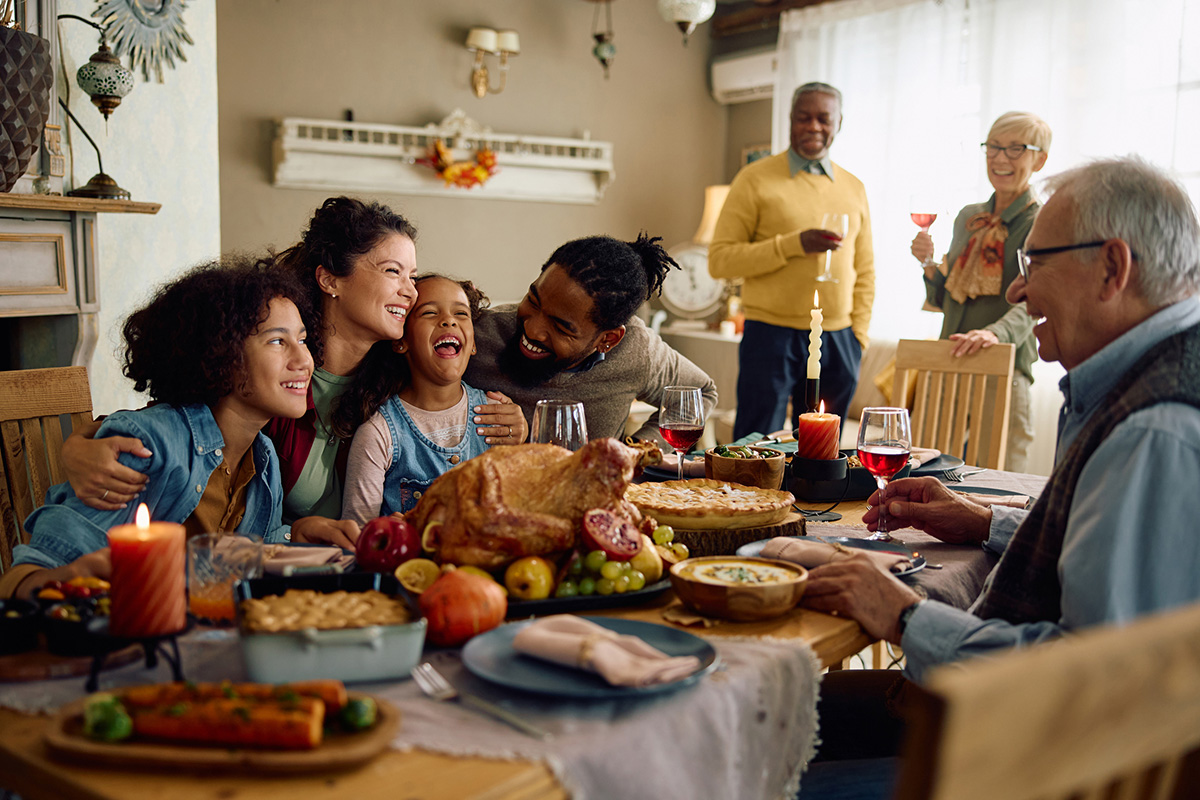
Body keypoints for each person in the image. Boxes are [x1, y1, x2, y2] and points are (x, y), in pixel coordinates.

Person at [800, 156, 1200, 779]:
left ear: (1112, 269)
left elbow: (1088, 677)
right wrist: (986, 521)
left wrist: (902, 614)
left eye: (1034, 263)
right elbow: (1111, 551)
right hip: (1017, 731)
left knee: (738, 737)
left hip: (1024, 761)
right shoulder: (1156, 375)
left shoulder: (1153, 430)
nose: (1016, 290)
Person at [59, 197, 527, 549]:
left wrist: (518, 423)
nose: (411, 291)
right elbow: (176, 430)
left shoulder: (398, 371)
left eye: (413, 275)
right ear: (330, 280)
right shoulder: (270, 378)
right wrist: (77, 445)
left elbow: (462, 381)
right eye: (393, 272)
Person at [0, 257, 315, 600]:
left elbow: (258, 554)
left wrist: (297, 533)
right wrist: (75, 575)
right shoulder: (146, 446)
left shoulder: (262, 457)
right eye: (277, 342)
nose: (304, 361)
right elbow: (27, 577)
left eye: (302, 340)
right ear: (221, 354)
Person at [709, 81, 874, 439]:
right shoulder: (754, 179)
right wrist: (793, 244)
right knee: (755, 447)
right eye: (804, 117)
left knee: (821, 454)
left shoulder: (854, 186)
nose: (814, 126)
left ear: (839, 123)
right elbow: (720, 261)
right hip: (770, 335)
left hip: (838, 339)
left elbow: (865, 270)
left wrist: (857, 336)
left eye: (823, 118)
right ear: (790, 121)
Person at [465, 233, 718, 448]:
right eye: (533, 300)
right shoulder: (477, 333)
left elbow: (702, 392)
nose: (532, 330)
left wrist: (635, 453)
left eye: (561, 327)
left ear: (608, 339)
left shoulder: (637, 349)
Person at [912, 112, 1051, 471]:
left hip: (1005, 367)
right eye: (993, 147)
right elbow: (948, 299)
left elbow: (1035, 300)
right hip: (950, 362)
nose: (1000, 158)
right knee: (930, 475)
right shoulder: (967, 217)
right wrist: (928, 264)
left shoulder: (1042, 222)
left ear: (1040, 159)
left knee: (1002, 484)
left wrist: (992, 334)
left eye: (1016, 149)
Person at [342, 274, 492, 525]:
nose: (448, 321)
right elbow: (357, 536)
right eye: (430, 313)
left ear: (473, 342)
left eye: (461, 314)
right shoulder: (378, 434)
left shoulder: (498, 416)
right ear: (402, 341)